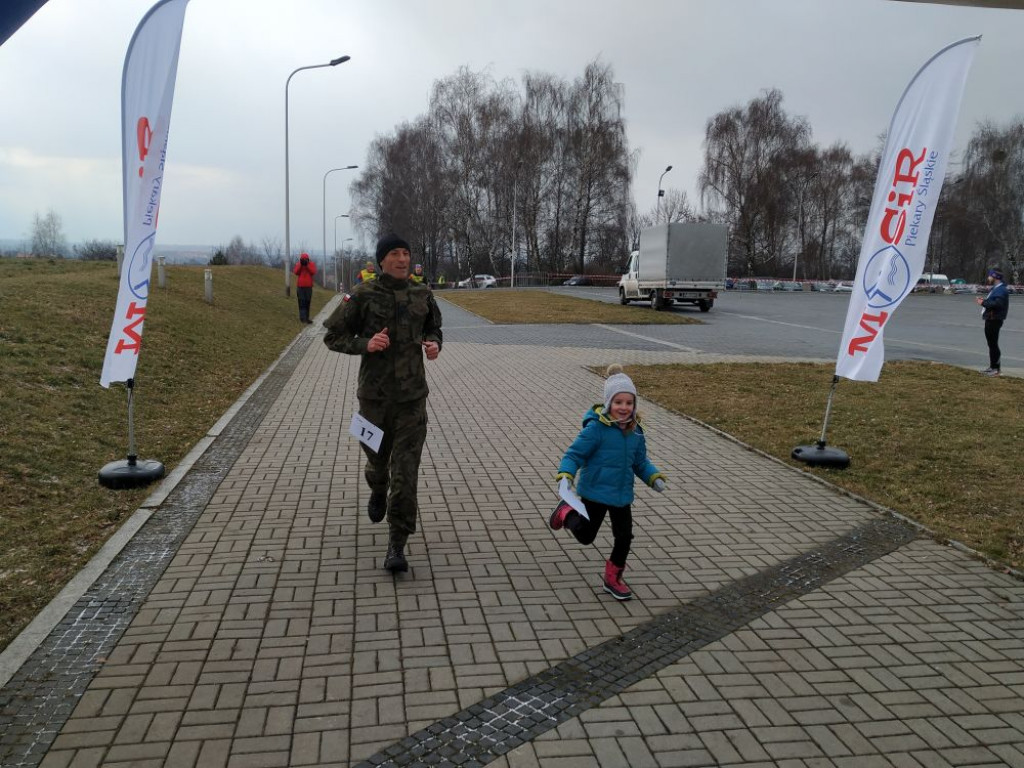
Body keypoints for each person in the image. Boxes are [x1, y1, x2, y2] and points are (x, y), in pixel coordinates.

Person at [323, 233, 443, 573]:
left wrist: (434, 345)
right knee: (378, 464)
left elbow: (434, 328)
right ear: (382, 260)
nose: (403, 259)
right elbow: (333, 336)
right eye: (395, 253)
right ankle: (377, 487)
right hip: (374, 400)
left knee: (405, 472)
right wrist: (365, 344)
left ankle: (397, 544)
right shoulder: (362, 295)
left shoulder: (423, 293)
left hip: (412, 401)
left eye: (406, 252)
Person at [550, 364, 666, 600]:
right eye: (618, 402)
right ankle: (566, 513)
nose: (624, 408)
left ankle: (613, 578)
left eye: (629, 403)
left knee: (624, 536)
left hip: (621, 495)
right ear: (608, 403)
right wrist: (566, 474)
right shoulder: (596, 430)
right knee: (586, 537)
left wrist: (652, 476)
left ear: (634, 405)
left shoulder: (636, 432)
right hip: (595, 492)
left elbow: (640, 462)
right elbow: (574, 455)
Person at [976, 266, 1009, 377]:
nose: (988, 277)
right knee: (991, 344)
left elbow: (997, 304)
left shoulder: (1001, 290)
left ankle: (996, 369)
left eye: (990, 275)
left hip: (994, 319)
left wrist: (983, 303)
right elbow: (994, 302)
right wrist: (985, 301)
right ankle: (992, 367)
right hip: (991, 319)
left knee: (993, 344)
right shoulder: (996, 288)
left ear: (995, 276)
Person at [292, 252, 317, 324]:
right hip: (300, 287)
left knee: (307, 302)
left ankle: (306, 317)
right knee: (301, 302)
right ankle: (302, 318)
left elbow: (313, 272)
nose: (304, 261)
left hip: (308, 287)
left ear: (308, 260)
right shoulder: (298, 264)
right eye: (303, 259)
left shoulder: (311, 264)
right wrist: (301, 265)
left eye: (305, 259)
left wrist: (307, 265)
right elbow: (296, 272)